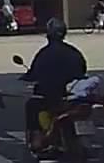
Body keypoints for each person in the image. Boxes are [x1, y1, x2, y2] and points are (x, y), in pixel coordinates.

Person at [20, 18, 88, 151]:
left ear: (48, 34)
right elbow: (82, 70)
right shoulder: (74, 52)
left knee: (32, 105)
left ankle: (37, 139)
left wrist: (28, 76)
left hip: (51, 95)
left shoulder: (44, 54)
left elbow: (34, 73)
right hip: (72, 94)